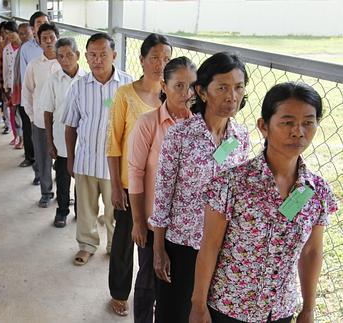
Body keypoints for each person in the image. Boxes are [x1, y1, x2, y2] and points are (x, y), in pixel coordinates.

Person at [190, 82, 339, 323]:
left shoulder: (317, 192)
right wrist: (198, 305)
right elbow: (210, 245)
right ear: (263, 126)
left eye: (308, 122)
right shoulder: (231, 183)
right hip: (229, 308)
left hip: (280, 310)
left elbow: (311, 251)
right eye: (287, 122)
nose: (298, 131)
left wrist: (309, 308)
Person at [150, 52, 251, 322]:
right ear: (202, 92)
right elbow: (162, 194)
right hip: (182, 245)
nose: (232, 96)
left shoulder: (241, 138)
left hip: (222, 248)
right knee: (173, 313)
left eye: (238, 87)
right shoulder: (180, 135)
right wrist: (158, 249)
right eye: (222, 87)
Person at [106, 33, 172, 317]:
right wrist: (115, 186)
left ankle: (152, 295)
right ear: (142, 59)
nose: (160, 63)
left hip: (160, 191)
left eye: (166, 58)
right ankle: (119, 293)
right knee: (123, 243)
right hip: (129, 185)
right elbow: (113, 142)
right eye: (155, 57)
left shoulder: (176, 95)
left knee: (152, 250)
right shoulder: (124, 94)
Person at [128, 56, 197, 322]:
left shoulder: (199, 127)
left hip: (184, 227)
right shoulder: (148, 123)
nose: (186, 93)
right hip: (150, 220)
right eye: (178, 85)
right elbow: (135, 174)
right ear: (164, 87)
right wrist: (137, 222)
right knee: (148, 278)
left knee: (175, 286)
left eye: (191, 86)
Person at [62, 32, 133, 266]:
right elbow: (71, 125)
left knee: (115, 211)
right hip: (86, 160)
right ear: (86, 57)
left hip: (116, 165)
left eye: (103, 54)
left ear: (114, 55)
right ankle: (87, 245)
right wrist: (71, 158)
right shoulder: (79, 86)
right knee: (86, 208)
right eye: (93, 54)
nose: (98, 59)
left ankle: (114, 246)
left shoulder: (127, 85)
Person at [40, 37, 85, 227]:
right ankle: (62, 210)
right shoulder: (53, 80)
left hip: (84, 141)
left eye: (69, 55)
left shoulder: (88, 80)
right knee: (63, 177)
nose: (65, 60)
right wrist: (50, 143)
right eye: (61, 56)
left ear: (78, 55)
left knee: (82, 179)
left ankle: (80, 212)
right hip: (60, 140)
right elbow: (48, 113)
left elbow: (107, 104)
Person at [22, 23, 61, 208]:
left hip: (63, 122)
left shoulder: (65, 63)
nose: (48, 41)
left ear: (57, 38)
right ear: (37, 40)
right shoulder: (34, 66)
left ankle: (64, 193)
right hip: (40, 121)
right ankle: (46, 192)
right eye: (43, 38)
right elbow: (27, 93)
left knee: (64, 159)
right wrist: (32, 117)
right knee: (43, 158)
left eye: (51, 37)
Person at [17, 11, 49, 170]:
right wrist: (28, 105)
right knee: (35, 135)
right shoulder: (26, 49)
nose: (43, 24)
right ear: (33, 28)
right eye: (39, 23)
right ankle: (34, 163)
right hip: (36, 100)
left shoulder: (56, 45)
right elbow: (26, 80)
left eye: (45, 21)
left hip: (56, 102)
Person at [11, 22, 34, 150]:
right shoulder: (20, 48)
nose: (24, 36)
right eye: (21, 33)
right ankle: (29, 154)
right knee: (25, 123)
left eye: (26, 33)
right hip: (21, 91)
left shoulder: (35, 49)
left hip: (33, 91)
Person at [2, 21, 22, 146]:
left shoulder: (24, 47)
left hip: (22, 85)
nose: (9, 36)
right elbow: (5, 68)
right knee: (13, 113)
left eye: (11, 33)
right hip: (11, 85)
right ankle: (17, 137)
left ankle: (23, 139)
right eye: (6, 33)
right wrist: (5, 86)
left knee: (22, 114)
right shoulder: (7, 49)